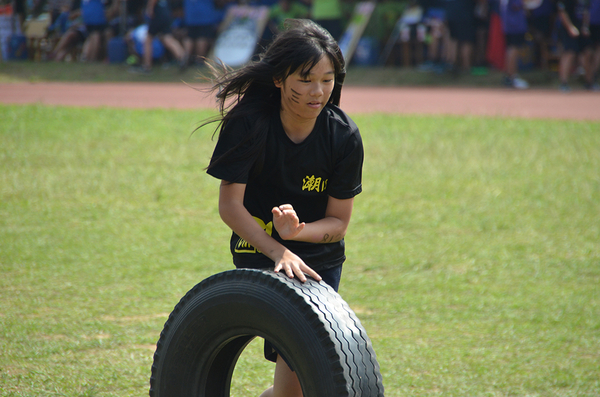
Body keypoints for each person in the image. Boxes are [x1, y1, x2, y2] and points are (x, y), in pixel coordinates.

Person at [204, 19, 363, 397]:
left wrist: (298, 233)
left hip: (318, 262)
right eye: (306, 79)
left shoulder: (343, 136)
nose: (318, 91)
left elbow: (338, 222)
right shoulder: (249, 124)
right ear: (279, 79)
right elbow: (230, 206)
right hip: (259, 249)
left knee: (295, 391)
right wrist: (279, 249)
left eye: (328, 79)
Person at [499, 0, 530, 88]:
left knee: (510, 49)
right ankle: (512, 77)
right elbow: (516, 5)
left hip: (508, 24)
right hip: (515, 25)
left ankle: (509, 76)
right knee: (514, 49)